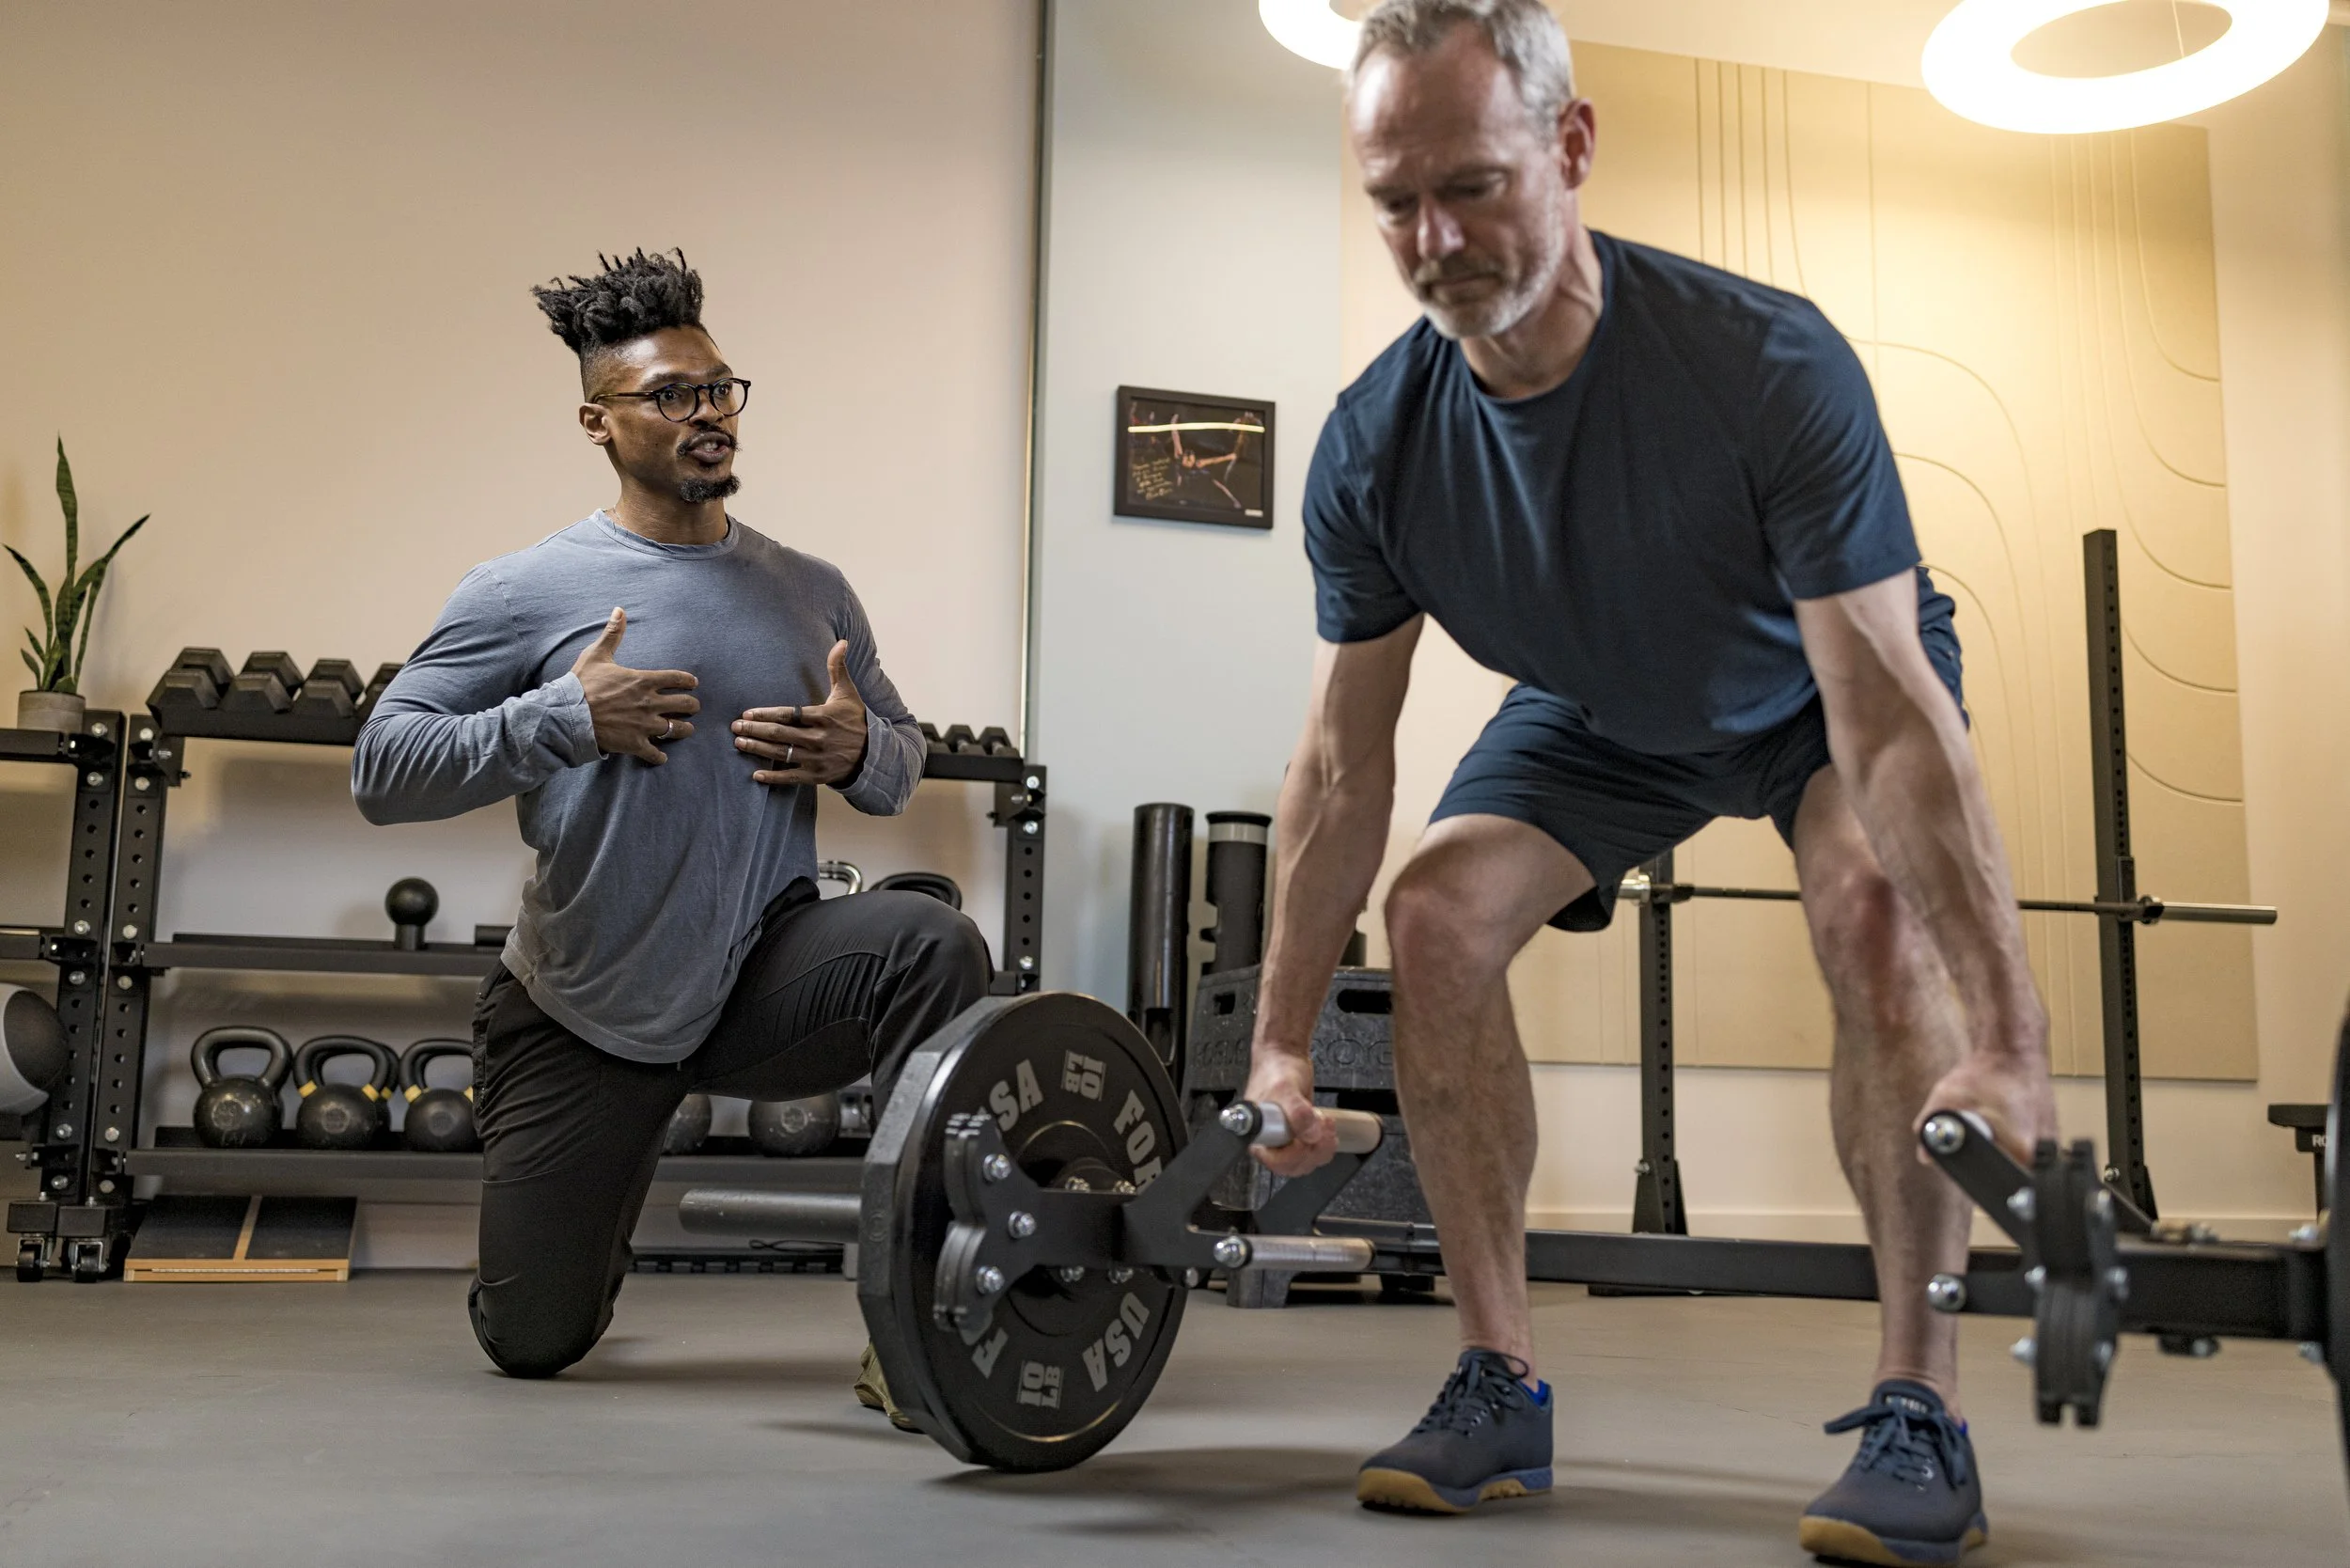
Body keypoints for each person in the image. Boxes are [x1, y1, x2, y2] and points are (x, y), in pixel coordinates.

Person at [1240, 5, 2055, 1562]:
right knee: (1434, 917)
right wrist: (1279, 1042)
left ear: (1571, 145)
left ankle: (1919, 1405)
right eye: (1396, 202)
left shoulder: (1762, 363)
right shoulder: (1374, 448)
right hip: (1598, 705)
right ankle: (1498, 1378)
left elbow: (1887, 723)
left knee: (1871, 906)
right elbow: (1343, 762)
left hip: (1809, 682)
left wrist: (2011, 1042)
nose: (1434, 241)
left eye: (1472, 186)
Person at [352, 250, 990, 1410]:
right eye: (670, 395)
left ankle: (918, 1318)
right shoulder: (522, 589)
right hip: (585, 1005)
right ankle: (587, 1208)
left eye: (718, 389)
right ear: (597, 421)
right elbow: (384, 770)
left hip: (762, 976)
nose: (707, 414)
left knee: (931, 945)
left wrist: (859, 754)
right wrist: (560, 718)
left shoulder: (812, 589)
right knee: (534, 1340)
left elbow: (900, 760)